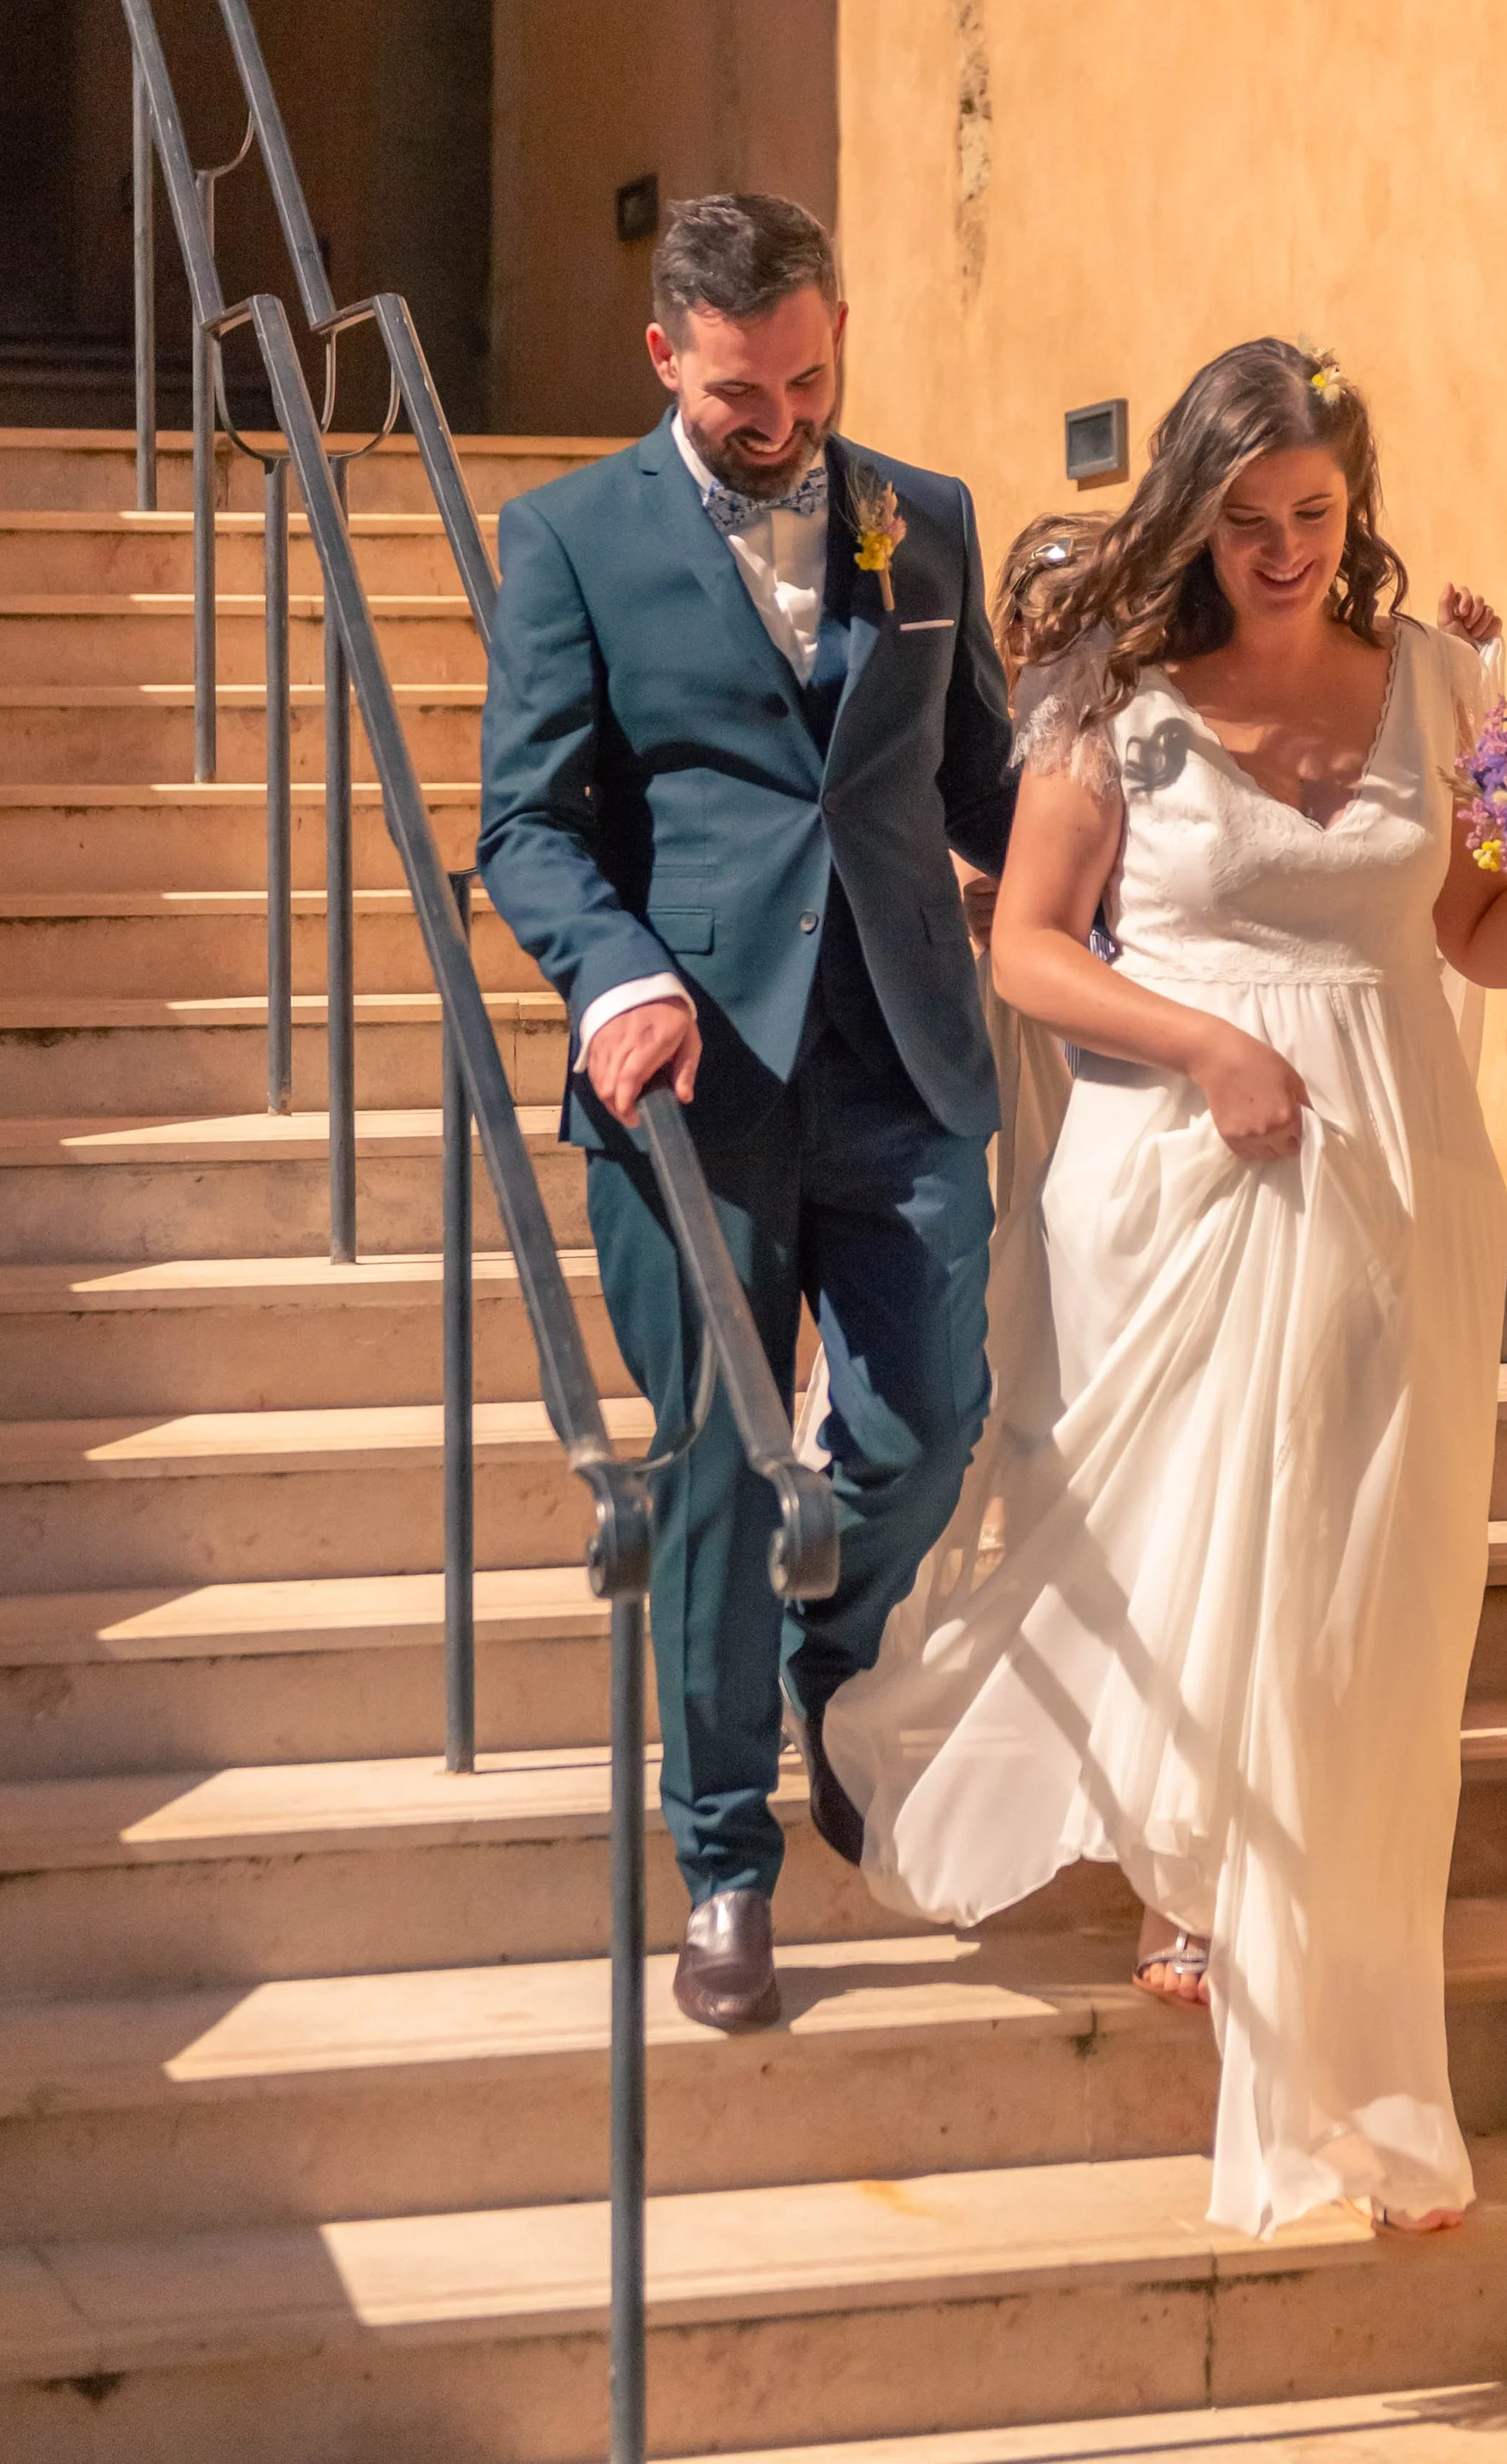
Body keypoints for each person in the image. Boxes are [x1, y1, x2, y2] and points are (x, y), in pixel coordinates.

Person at [824, 337, 1507, 2238]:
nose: (1286, 548)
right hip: (1189, 1175)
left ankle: (1293, 1950)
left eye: (1315, 514)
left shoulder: (1439, 686)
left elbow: (1472, 933)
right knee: (1233, 1548)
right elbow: (1035, 954)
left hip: (1399, 1176)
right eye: (1248, 518)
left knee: (1368, 1579)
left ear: (1350, 510)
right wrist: (1205, 1044)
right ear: (1194, 517)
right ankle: (1236, 1935)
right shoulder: (1104, 709)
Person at [477, 192, 1016, 2033]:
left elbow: (989, 789)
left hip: (905, 1057)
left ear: (836, 333)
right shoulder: (563, 539)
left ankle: (833, 1675)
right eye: (734, 393)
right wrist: (612, 972)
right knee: (713, 1452)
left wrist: (1140, 931)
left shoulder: (920, 516)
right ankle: (723, 1862)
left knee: (927, 1419)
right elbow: (525, 824)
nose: (777, 418)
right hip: (689, 1077)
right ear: (662, 359)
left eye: (804, 375)